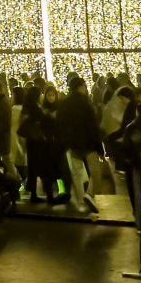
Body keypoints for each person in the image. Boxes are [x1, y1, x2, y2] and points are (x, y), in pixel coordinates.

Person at [55, 74, 103, 216]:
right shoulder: (85, 102)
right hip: (88, 143)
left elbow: (59, 123)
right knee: (95, 171)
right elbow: (92, 125)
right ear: (80, 87)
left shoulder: (64, 103)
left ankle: (81, 199)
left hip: (71, 143)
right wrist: (99, 146)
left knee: (76, 172)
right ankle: (90, 195)